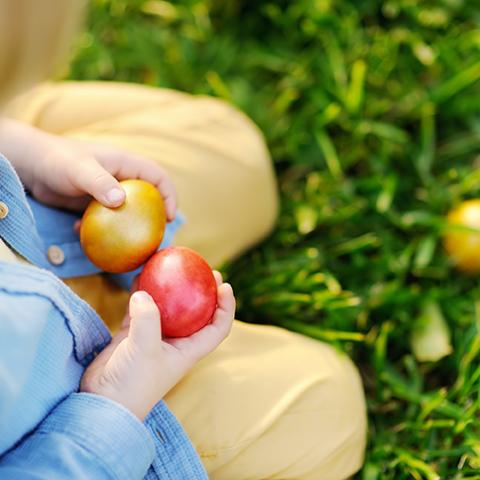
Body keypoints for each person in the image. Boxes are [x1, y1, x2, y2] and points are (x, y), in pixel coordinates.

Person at [0, 0, 367, 478]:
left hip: (40, 220)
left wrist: (29, 156)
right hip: (68, 414)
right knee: (327, 408)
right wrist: (112, 404)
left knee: (234, 152)